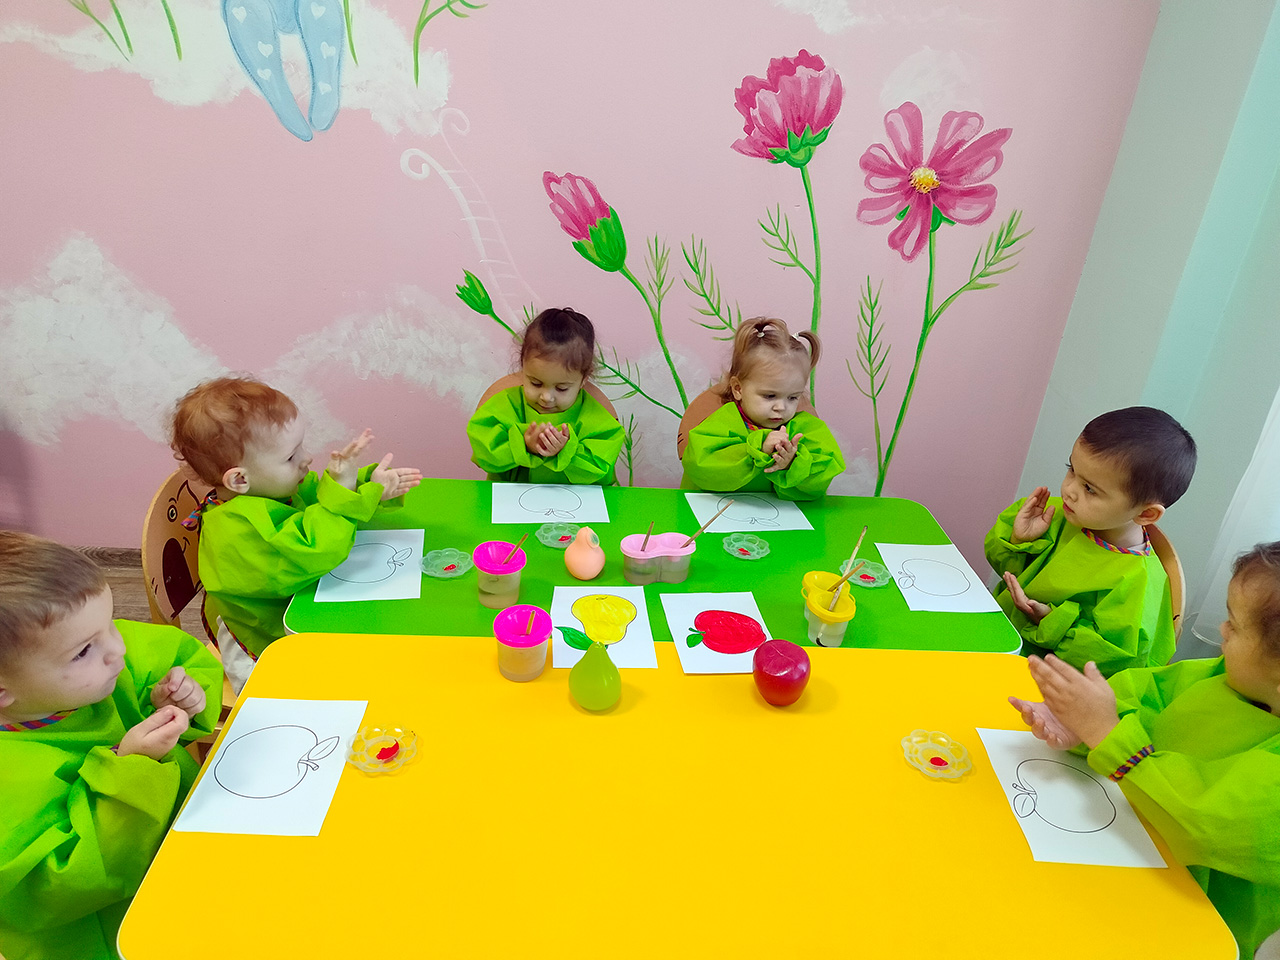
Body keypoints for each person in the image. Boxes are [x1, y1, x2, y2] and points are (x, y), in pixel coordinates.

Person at [1009, 541, 1280, 959]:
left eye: (1236, 626)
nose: (1222, 630)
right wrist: (1080, 726)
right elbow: (1145, 696)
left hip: (1189, 922)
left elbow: (1200, 821)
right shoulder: (1222, 675)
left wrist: (1107, 734)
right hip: (1121, 845)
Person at [0, 532, 223, 960]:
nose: (117, 648)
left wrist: (184, 696)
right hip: (111, 931)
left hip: (188, 853)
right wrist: (131, 766)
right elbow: (60, 884)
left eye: (113, 622)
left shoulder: (95, 652)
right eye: (83, 651)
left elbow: (178, 656)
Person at [170, 376, 421, 691]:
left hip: (296, 609)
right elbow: (315, 550)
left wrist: (367, 486)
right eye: (290, 456)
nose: (306, 459)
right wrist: (345, 493)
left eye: (301, 446)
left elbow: (319, 495)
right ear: (239, 480)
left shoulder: (269, 487)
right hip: (260, 647)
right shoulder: (237, 530)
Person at [985, 406, 1196, 675]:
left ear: (1146, 514)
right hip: (995, 632)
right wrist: (1018, 540)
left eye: (1089, 489)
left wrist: (1051, 622)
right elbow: (1003, 569)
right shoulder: (1059, 514)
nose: (1069, 491)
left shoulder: (1137, 580)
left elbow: (1114, 660)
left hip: (1046, 677)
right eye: (1071, 469)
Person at [681, 317, 844, 500]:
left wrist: (793, 464)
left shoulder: (807, 430)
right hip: (717, 512)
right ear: (738, 389)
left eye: (792, 397)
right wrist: (758, 448)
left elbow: (821, 479)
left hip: (782, 516)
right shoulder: (722, 423)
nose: (781, 407)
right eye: (769, 396)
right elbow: (700, 467)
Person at [467, 307, 624, 485]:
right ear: (523, 368)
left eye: (562, 388)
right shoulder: (505, 405)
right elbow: (483, 452)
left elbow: (601, 471)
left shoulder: (596, 418)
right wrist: (523, 443)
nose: (546, 397)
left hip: (573, 501)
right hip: (510, 498)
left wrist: (567, 450)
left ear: (583, 380)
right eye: (536, 383)